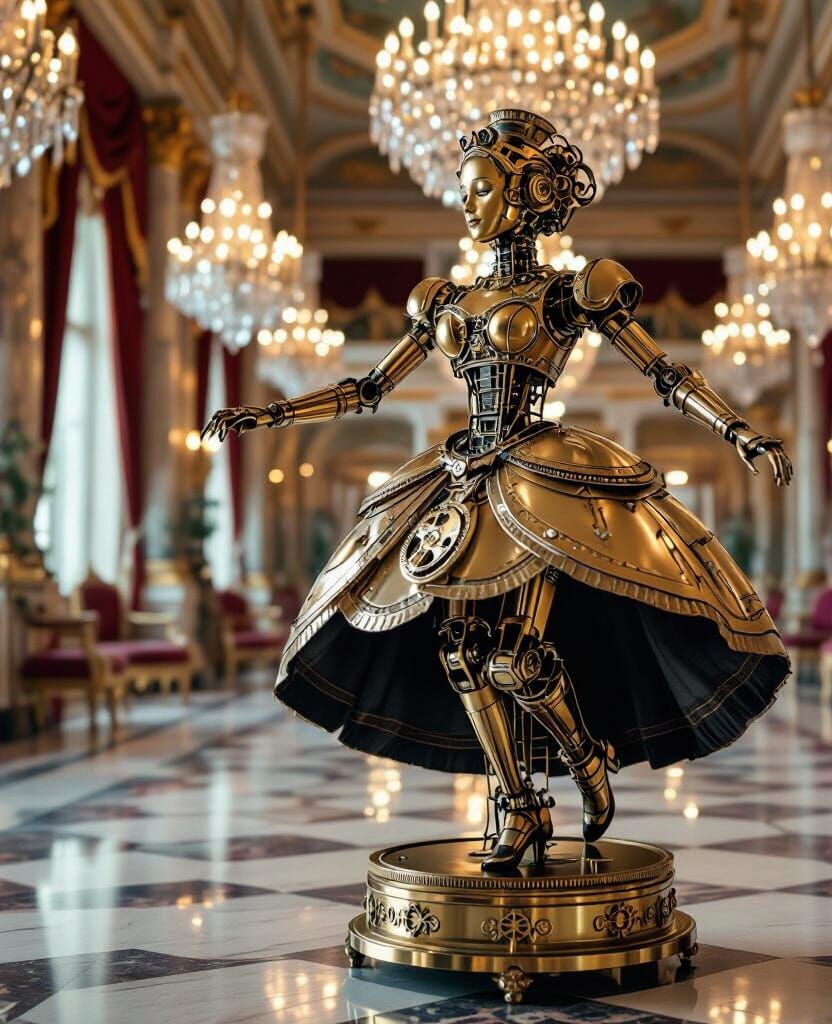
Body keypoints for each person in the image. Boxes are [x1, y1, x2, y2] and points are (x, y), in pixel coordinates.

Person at [204, 108, 793, 874]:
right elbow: (369, 388)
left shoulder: (572, 291)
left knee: (515, 654)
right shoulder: (443, 300)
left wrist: (740, 431)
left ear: (526, 193)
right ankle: (520, 806)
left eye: (481, 188)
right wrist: (274, 412)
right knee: (459, 650)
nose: (468, 205)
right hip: (463, 480)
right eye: (464, 189)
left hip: (544, 481)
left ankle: (582, 761)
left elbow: (664, 372)